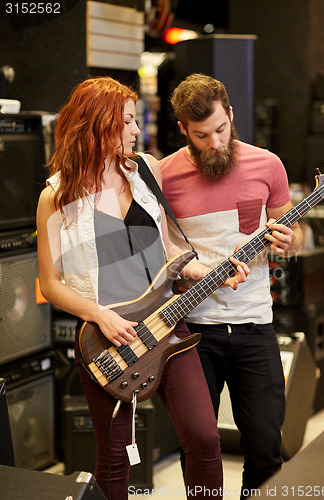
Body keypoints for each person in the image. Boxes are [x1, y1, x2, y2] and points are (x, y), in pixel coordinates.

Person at [36, 76, 250, 500]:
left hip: (168, 326)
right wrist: (99, 315)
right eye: (129, 122)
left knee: (205, 439)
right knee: (114, 460)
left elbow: (167, 250)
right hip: (107, 340)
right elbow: (50, 283)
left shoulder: (145, 171)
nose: (137, 131)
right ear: (98, 124)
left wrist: (208, 269)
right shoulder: (56, 197)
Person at [160, 73, 304, 498]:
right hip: (192, 332)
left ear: (232, 116)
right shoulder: (163, 177)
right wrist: (192, 269)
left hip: (255, 323)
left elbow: (294, 238)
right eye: (202, 135)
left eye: (222, 129)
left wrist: (288, 242)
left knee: (265, 444)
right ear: (183, 129)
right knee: (200, 447)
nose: (216, 142)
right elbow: (161, 253)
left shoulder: (267, 164)